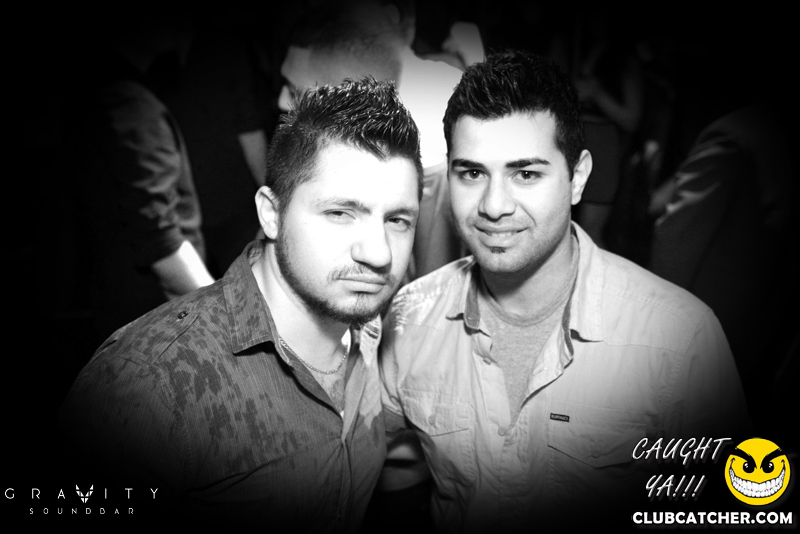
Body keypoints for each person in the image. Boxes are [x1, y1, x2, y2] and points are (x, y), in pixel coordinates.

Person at [378, 50, 750, 532]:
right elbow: (388, 475)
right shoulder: (410, 319)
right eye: (472, 173)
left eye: (526, 174)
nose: (494, 206)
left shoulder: (678, 337)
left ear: (578, 178)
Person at [58, 77, 423, 531]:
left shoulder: (370, 329)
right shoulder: (150, 383)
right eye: (340, 213)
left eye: (397, 220)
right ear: (271, 213)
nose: (379, 253)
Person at [278, 0, 469, 281]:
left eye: (296, 91)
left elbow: (431, 285)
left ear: (351, 97)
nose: (282, 101)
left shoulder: (438, 154)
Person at [70, 14, 215, 345]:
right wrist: (219, 316)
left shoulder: (103, 91)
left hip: (129, 306)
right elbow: (160, 242)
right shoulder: (130, 102)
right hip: (156, 315)